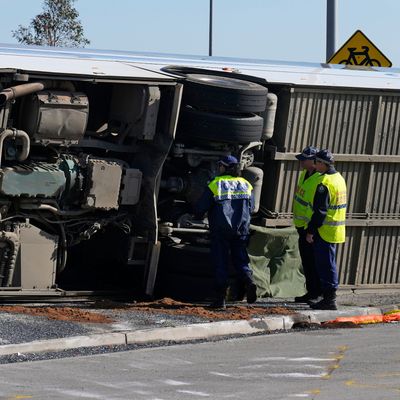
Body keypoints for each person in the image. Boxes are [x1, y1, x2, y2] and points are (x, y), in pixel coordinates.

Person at [194, 155, 257, 309]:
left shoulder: (216, 184)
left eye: (220, 165)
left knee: (220, 263)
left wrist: (197, 215)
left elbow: (201, 208)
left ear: (224, 167)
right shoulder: (246, 184)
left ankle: (220, 300)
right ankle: (249, 281)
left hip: (221, 231)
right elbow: (252, 207)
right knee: (241, 260)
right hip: (241, 230)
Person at [306, 149, 347, 310]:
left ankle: (330, 299)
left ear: (323, 164)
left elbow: (320, 211)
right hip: (335, 228)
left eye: (317, 162)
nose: (315, 165)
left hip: (325, 230)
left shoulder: (325, 183)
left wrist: (311, 231)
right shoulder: (339, 179)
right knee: (328, 263)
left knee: (326, 264)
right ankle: (328, 298)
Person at [292, 146, 322, 304]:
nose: (301, 162)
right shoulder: (305, 174)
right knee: (307, 262)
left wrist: (311, 229)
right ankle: (311, 292)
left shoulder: (320, 179)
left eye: (305, 159)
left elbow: (318, 208)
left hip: (312, 228)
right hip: (301, 226)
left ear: (315, 161)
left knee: (315, 262)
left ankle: (318, 293)